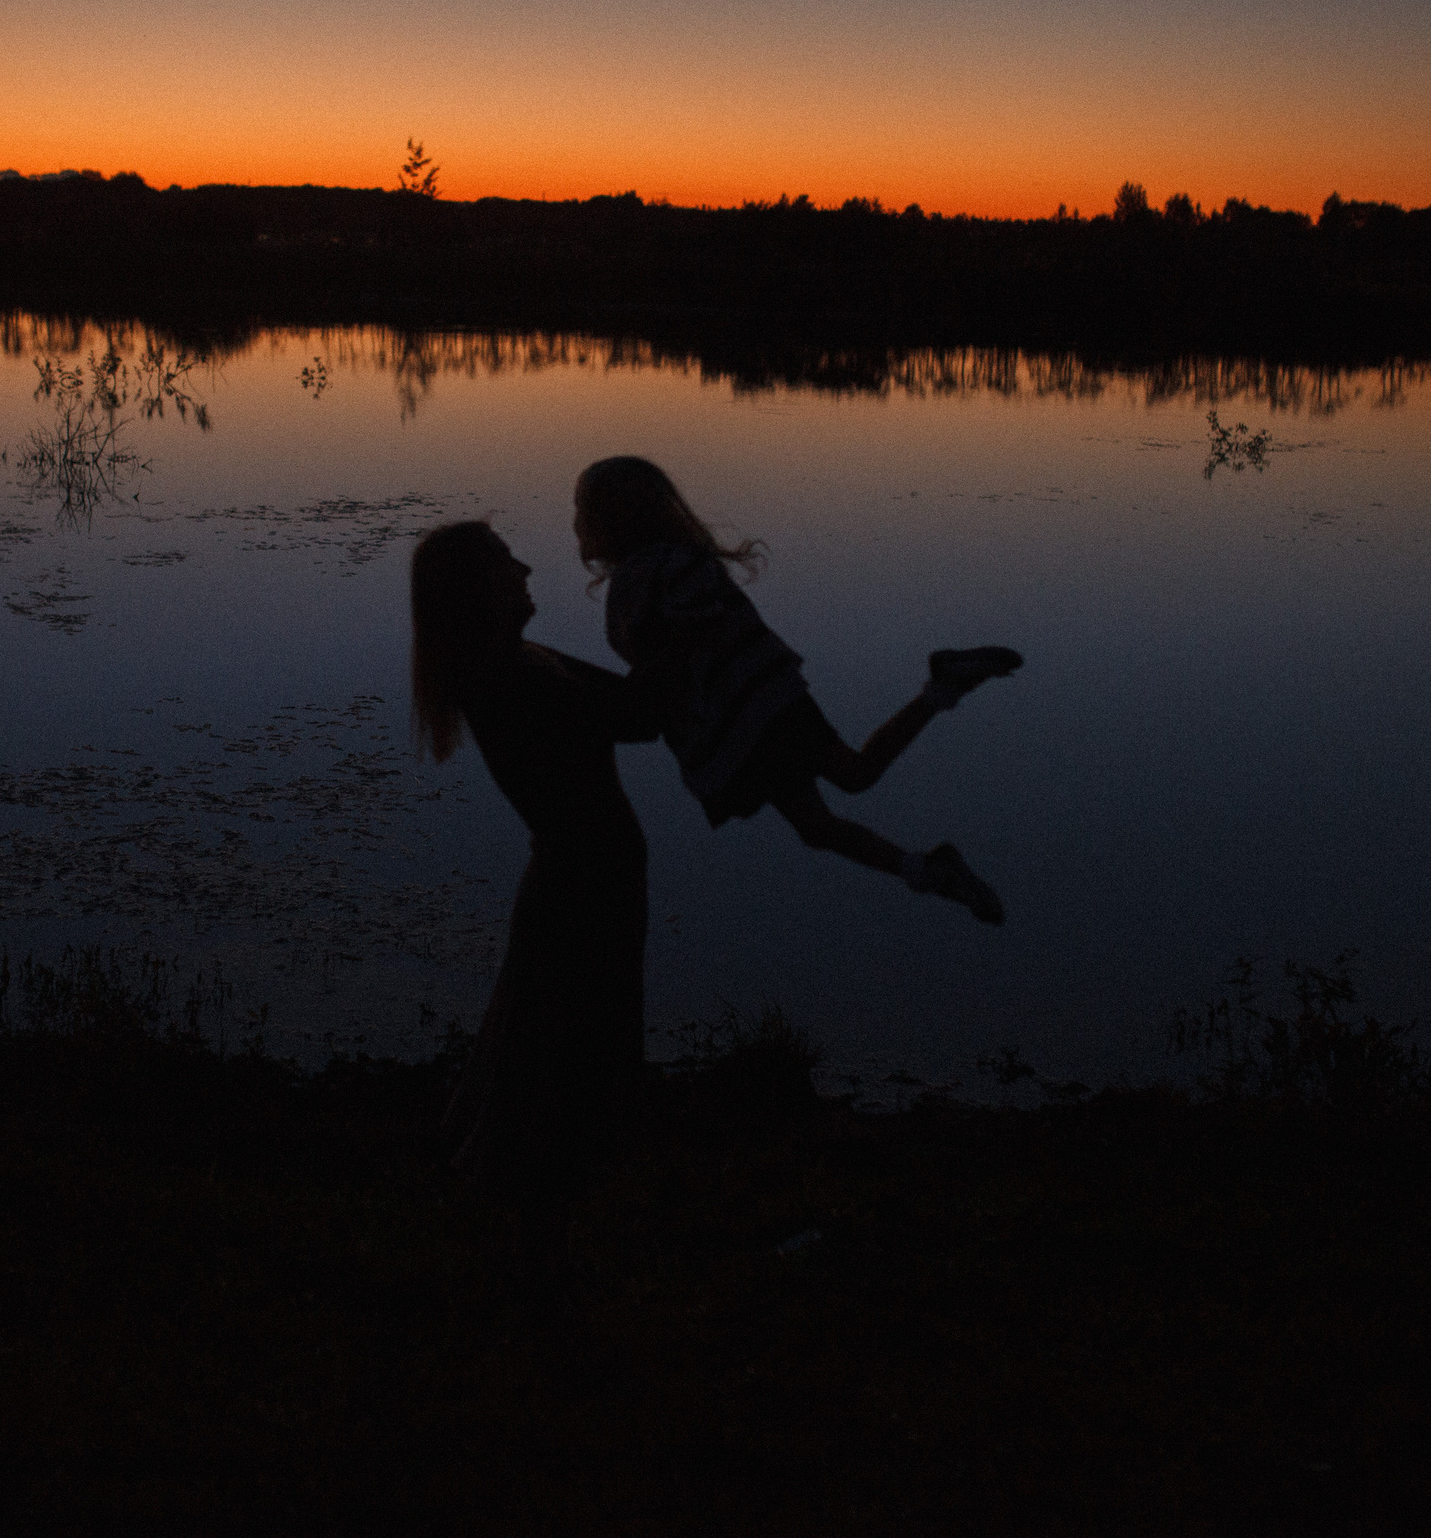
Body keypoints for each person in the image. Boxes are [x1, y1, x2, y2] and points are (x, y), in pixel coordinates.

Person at [573, 455, 1014, 924]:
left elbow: (685, 641)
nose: (578, 523)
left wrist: (630, 699)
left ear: (617, 517)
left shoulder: (672, 566)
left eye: (585, 511)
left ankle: (942, 689)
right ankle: (930, 870)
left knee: (852, 777)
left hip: (759, 709)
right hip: (740, 720)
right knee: (818, 824)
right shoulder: (639, 576)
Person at [413, 520, 658, 1192]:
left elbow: (639, 708)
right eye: (505, 563)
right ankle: (540, 1196)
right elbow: (641, 716)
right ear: (477, 589)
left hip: (585, 877)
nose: (525, 568)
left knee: (544, 1033)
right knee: (560, 1040)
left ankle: (534, 1185)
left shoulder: (527, 658)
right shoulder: (511, 675)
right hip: (582, 884)